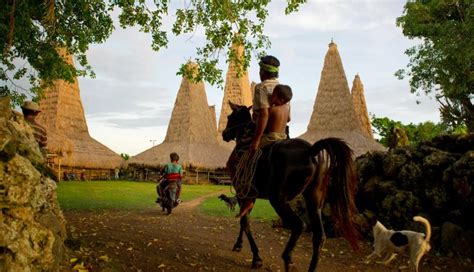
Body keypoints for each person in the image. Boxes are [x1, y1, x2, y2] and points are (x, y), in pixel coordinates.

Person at [237, 84, 293, 218]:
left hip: (271, 138)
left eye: (274, 96)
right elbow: (289, 119)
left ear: (281, 100)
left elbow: (262, 121)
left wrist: (257, 118)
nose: (271, 98)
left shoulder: (271, 110)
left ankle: (248, 195)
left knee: (248, 158)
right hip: (283, 137)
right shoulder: (286, 108)